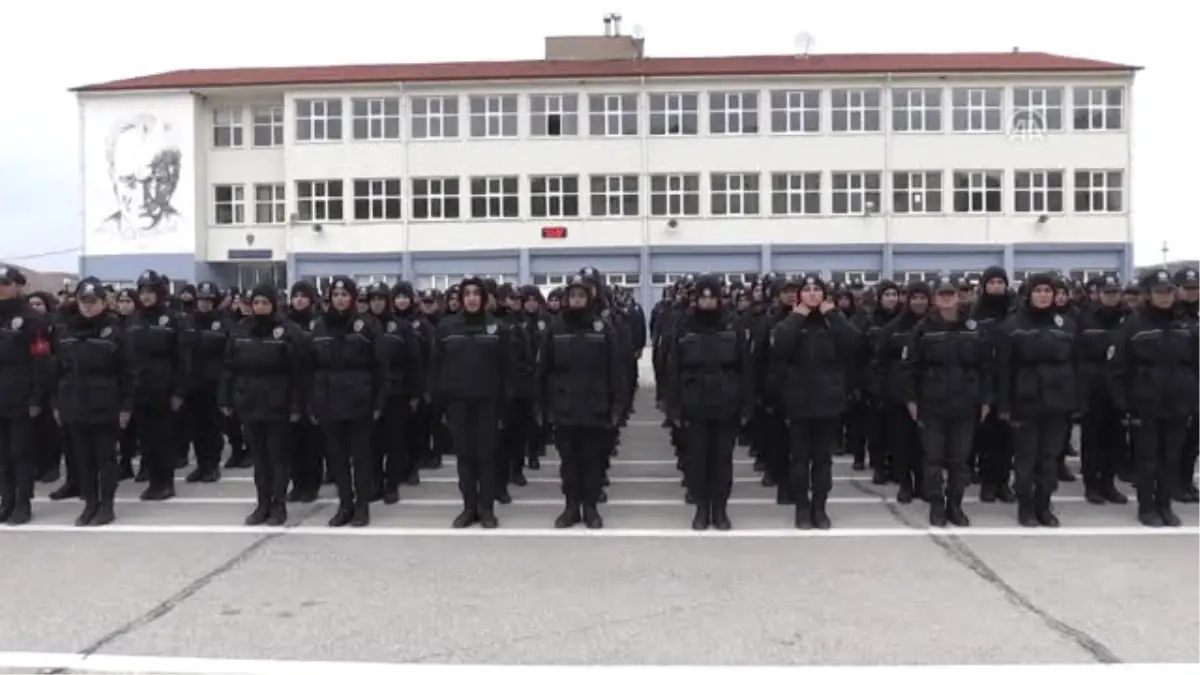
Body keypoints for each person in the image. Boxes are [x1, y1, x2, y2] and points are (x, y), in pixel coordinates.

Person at [536, 274, 628, 529]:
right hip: (564, 407)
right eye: (572, 296)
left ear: (589, 298)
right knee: (569, 463)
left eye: (581, 296)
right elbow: (543, 370)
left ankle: (591, 508)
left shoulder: (602, 327)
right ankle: (571, 507)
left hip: (595, 407)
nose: (577, 300)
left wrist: (616, 407)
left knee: (593, 461)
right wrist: (543, 407)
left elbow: (615, 370)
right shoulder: (555, 327)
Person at [769, 275, 859, 530]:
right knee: (799, 460)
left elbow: (854, 343)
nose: (811, 294)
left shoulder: (833, 322)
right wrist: (798, 315)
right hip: (798, 402)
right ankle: (801, 507)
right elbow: (780, 346)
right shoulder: (789, 322)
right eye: (806, 290)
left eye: (816, 289)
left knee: (822, 460)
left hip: (828, 402)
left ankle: (819, 507)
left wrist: (834, 315)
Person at [664, 274, 753, 531]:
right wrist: (674, 406)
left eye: (711, 296)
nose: (707, 302)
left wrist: (746, 404)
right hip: (695, 404)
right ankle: (702, 509)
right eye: (702, 297)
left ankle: (721, 509)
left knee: (722, 460)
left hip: (726, 403)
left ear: (719, 298)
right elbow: (673, 368)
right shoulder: (684, 326)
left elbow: (746, 368)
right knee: (698, 460)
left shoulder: (732, 325)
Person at [429, 277, 519, 529]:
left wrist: (506, 405)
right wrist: (440, 403)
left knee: (487, 457)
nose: (471, 298)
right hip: (458, 403)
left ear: (483, 298)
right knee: (465, 458)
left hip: (488, 404)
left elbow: (508, 369)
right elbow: (436, 368)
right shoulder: (446, 328)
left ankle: (487, 509)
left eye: (475, 293)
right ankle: (469, 507)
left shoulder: (497, 328)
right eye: (466, 293)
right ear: (460, 299)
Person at [1108, 268, 1195, 527]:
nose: (1165, 297)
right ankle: (1147, 507)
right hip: (1144, 404)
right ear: (1147, 295)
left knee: (1172, 456)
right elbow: (1116, 369)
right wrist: (1123, 404)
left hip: (1178, 402)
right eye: (1159, 292)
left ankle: (1165, 505)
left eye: (1168, 291)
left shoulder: (1183, 325)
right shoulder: (1132, 326)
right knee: (1147, 458)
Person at [902, 277, 991, 527]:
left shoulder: (973, 327)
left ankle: (955, 505)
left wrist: (985, 399)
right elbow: (910, 368)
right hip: (933, 403)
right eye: (941, 294)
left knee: (959, 460)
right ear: (935, 298)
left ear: (958, 296)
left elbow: (986, 367)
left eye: (950, 293)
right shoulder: (923, 328)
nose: (946, 298)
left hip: (966, 403)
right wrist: (910, 399)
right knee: (933, 459)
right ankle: (937, 506)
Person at [220, 283, 308, 527]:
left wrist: (296, 405)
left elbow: (299, 373)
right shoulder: (241, 330)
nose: (260, 307)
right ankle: (263, 504)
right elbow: (229, 367)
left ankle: (278, 505)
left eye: (265, 302)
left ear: (274, 304)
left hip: (278, 404)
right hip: (249, 403)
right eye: (256, 302)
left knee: (278, 458)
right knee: (259, 459)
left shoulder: (288, 331)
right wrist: (225, 398)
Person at [994, 272, 1078, 527]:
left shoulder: (1066, 324)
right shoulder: (1012, 325)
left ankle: (1044, 503)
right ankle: (1026, 506)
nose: (1043, 296)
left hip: (1057, 401)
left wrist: (1075, 401)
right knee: (1026, 458)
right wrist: (1005, 404)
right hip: (1025, 401)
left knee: (1049, 457)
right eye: (1038, 291)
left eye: (1048, 291)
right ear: (1029, 294)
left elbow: (1076, 364)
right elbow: (1003, 369)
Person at [49, 279, 132, 527]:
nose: (87, 307)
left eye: (92, 302)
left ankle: (107, 505)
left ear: (103, 302)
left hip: (105, 404)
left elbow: (128, 372)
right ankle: (90, 504)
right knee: (81, 458)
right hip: (73, 402)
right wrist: (55, 403)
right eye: (83, 302)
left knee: (105, 458)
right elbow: (56, 370)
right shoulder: (66, 330)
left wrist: (126, 406)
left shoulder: (115, 330)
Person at [310, 277, 387, 528]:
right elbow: (310, 367)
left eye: (345, 294)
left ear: (353, 298)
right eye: (336, 295)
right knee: (337, 457)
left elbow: (380, 367)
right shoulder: (320, 326)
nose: (340, 299)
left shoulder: (367, 325)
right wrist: (313, 401)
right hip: (329, 401)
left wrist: (378, 401)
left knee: (361, 456)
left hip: (359, 401)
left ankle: (362, 506)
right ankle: (345, 504)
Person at [126, 270, 190, 502]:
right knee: (146, 439)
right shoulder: (134, 320)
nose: (145, 296)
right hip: (139, 388)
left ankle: (165, 482)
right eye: (142, 291)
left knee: (163, 438)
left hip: (164, 388)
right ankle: (153, 480)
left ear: (159, 293)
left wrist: (178, 391)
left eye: (150, 291)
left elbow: (183, 358)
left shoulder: (173, 319)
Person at [0, 265, 50, 525]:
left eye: (5, 283)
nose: (1, 288)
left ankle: (22, 503)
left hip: (21, 395)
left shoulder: (30, 319)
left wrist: (36, 397)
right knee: (3, 455)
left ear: (16, 285)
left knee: (20, 453)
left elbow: (41, 361)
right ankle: (6, 500)